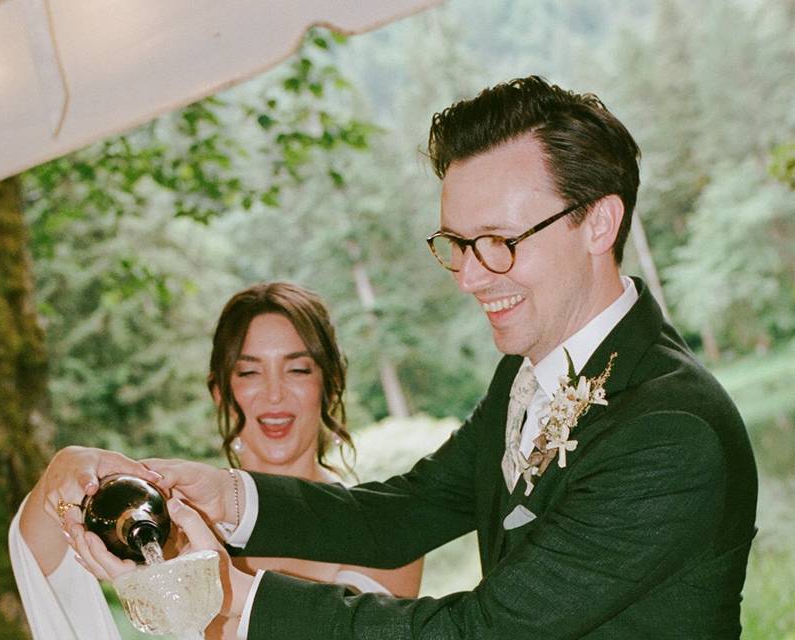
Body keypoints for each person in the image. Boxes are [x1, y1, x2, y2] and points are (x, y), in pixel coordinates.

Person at [143, 76, 759, 639]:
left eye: (497, 242)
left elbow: (482, 632)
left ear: (598, 224)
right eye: (458, 244)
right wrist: (228, 497)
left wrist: (236, 599)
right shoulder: (526, 374)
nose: (469, 278)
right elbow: (401, 514)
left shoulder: (670, 432)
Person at [8, 282, 422, 639]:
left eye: (297, 370)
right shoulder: (175, 525)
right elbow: (43, 565)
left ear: (330, 385)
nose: (274, 394)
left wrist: (222, 589)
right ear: (220, 391)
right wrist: (62, 470)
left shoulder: (387, 535)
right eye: (249, 373)